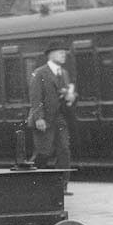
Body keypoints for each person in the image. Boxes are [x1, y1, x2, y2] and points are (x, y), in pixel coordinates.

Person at [26, 40, 78, 194]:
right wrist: (39, 118)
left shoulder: (64, 73)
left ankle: (61, 187)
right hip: (44, 119)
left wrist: (71, 96)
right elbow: (35, 97)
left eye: (64, 53)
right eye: (61, 52)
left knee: (64, 150)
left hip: (60, 118)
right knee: (44, 152)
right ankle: (29, 181)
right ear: (51, 54)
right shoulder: (40, 72)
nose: (64, 56)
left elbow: (67, 93)